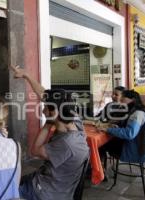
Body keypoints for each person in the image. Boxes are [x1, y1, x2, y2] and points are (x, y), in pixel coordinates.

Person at [10, 65, 89, 200]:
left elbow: (34, 151)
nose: (42, 109)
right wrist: (26, 75)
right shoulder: (74, 120)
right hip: (52, 182)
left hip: (46, 192)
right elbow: (44, 94)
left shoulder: (66, 143)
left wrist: (48, 123)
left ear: (54, 112)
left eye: (45, 107)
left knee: (3, 192)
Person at [100, 90, 145, 163]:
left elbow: (129, 133)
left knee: (100, 145)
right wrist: (116, 127)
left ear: (133, 99)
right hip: (133, 146)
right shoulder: (137, 111)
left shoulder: (138, 114)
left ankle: (99, 171)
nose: (121, 100)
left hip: (130, 150)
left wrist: (108, 129)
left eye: (123, 98)